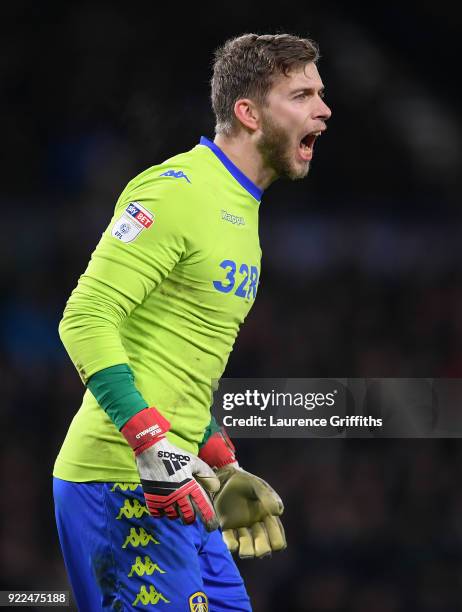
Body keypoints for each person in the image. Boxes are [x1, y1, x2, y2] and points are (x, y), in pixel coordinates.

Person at [53, 32, 332, 611]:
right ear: (249, 113)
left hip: (181, 480)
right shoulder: (176, 192)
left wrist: (222, 463)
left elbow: (173, 364)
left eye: (319, 93)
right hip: (121, 480)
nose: (324, 110)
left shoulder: (241, 207)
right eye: (302, 95)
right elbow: (85, 318)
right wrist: (150, 442)